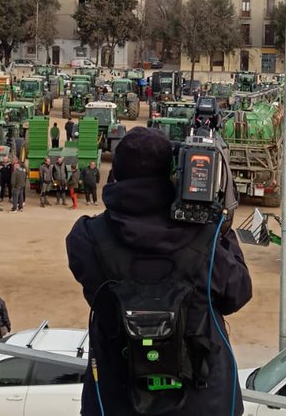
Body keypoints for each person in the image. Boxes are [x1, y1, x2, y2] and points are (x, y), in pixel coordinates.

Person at [66, 128, 252, 416]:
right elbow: (237, 294)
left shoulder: (86, 238)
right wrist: (221, 224)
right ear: (173, 173)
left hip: (118, 398)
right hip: (204, 401)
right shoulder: (206, 235)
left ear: (115, 173)